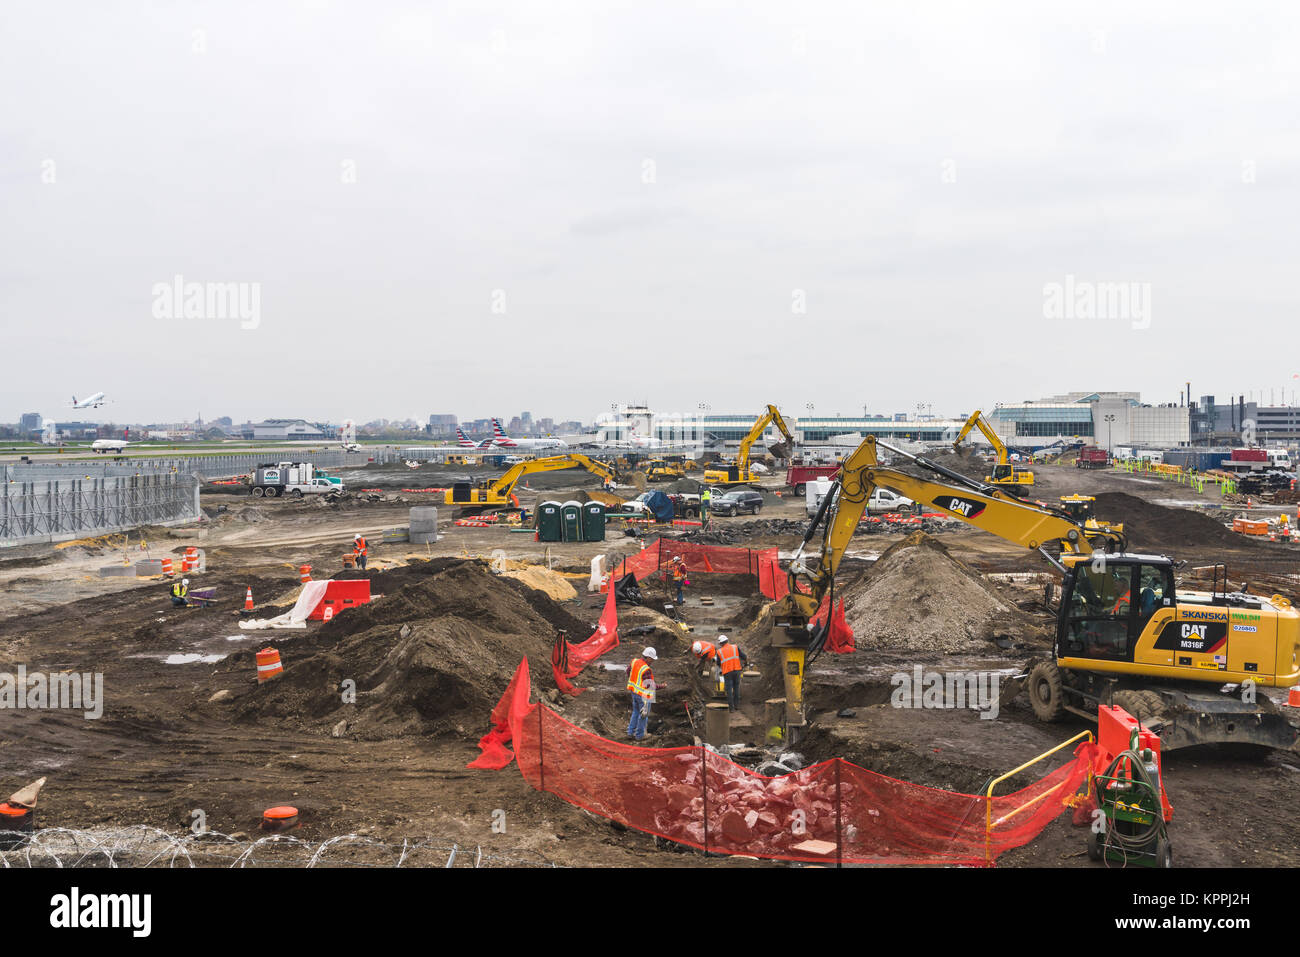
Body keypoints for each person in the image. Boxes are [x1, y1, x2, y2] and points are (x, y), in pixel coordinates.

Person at [626, 647, 663, 740]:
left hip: (634, 692)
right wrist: (662, 686)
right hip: (644, 696)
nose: (653, 661)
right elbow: (650, 686)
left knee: (635, 712)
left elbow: (628, 671)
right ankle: (640, 735)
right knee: (643, 715)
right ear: (648, 658)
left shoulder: (634, 661)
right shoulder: (646, 669)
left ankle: (630, 732)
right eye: (652, 659)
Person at [717, 634, 748, 710]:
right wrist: (745, 663)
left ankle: (731, 708)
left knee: (729, 690)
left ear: (720, 643)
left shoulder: (719, 652)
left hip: (727, 672)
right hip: (737, 670)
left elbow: (718, 663)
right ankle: (736, 705)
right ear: (727, 641)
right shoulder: (735, 647)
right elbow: (744, 656)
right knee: (736, 688)